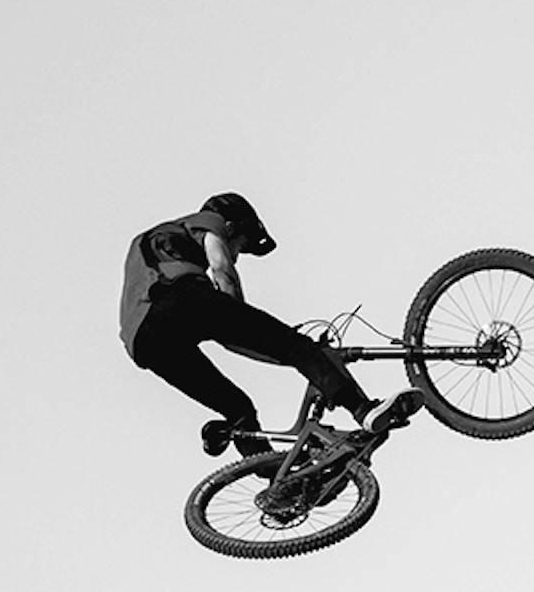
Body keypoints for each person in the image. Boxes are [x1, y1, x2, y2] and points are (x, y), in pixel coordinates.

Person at [119, 193, 394, 457]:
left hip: (144, 343)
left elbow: (233, 342)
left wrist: (297, 360)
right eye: (239, 245)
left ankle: (275, 480)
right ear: (230, 227)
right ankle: (363, 410)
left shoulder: (152, 245)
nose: (237, 253)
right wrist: (302, 350)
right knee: (292, 344)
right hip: (180, 300)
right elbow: (221, 267)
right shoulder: (208, 221)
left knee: (238, 409)